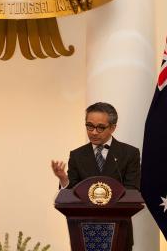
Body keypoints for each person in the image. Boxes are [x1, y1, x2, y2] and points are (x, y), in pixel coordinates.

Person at [51, 102, 140, 250]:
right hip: (84, 231)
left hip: (118, 232)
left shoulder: (129, 154)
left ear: (112, 128)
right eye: (89, 126)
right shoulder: (77, 155)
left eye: (100, 127)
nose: (93, 132)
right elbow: (72, 193)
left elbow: (132, 191)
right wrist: (63, 179)